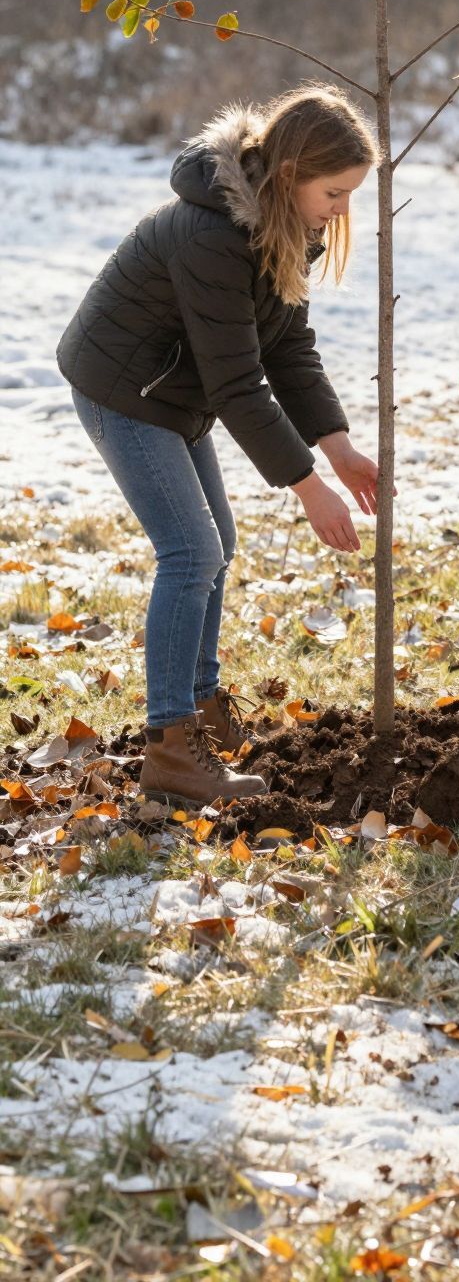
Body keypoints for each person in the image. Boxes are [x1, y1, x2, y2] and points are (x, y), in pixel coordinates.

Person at [57, 85, 380, 806]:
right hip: (123, 388)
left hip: (174, 390)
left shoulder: (286, 223)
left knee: (217, 544)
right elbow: (238, 383)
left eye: (350, 195)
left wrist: (338, 447)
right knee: (191, 551)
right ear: (290, 174)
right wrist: (309, 486)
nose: (341, 209)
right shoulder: (212, 236)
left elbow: (287, 347)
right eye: (334, 192)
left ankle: (200, 709)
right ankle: (170, 749)